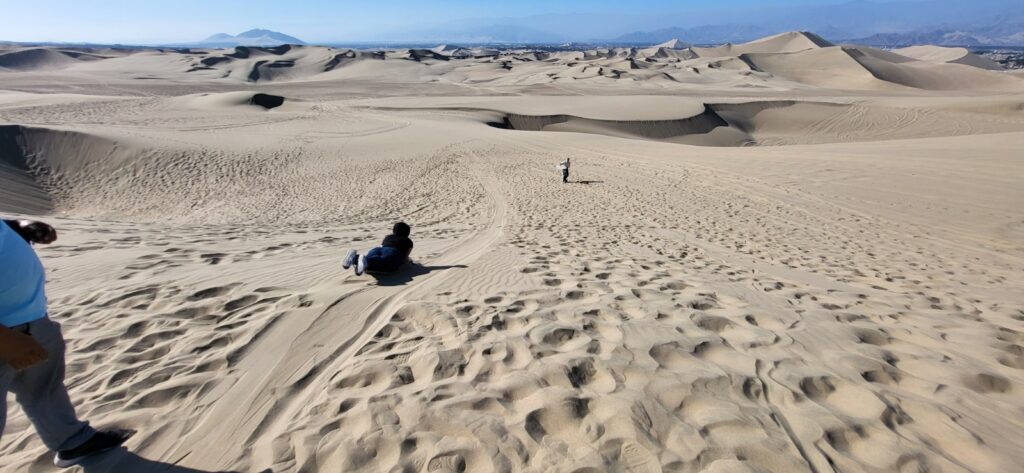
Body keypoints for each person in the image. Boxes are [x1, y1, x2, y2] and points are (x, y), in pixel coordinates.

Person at [1, 218, 132, 468]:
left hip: (33, 321)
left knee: (44, 388)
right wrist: (6, 340)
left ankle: (72, 441)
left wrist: (20, 225)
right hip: (6, 336)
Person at [342, 222, 414, 275]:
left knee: (371, 258)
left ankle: (354, 258)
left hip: (378, 249)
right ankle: (364, 260)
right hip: (393, 251)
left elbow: (382, 246)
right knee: (385, 262)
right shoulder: (407, 241)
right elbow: (405, 256)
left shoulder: (388, 237)